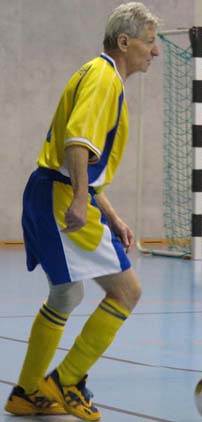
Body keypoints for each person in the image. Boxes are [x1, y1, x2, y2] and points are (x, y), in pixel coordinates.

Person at [4, 3, 160, 420]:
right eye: (150, 41)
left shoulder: (96, 73)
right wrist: (78, 199)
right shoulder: (105, 78)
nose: (156, 51)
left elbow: (85, 156)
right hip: (59, 196)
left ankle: (26, 392)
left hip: (47, 192)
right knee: (127, 292)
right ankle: (67, 381)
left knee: (66, 293)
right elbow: (77, 142)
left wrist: (109, 213)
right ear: (124, 42)